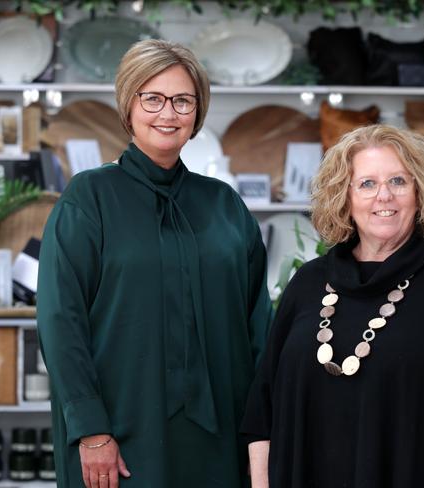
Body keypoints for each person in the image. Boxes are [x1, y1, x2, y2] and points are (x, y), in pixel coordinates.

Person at [241, 124, 424, 488]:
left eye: (398, 181)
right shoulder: (307, 283)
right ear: (344, 196)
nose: (384, 196)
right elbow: (263, 408)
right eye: (367, 184)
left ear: (420, 192)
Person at [37, 39, 272, 488]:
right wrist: (90, 430)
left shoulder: (225, 206)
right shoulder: (88, 200)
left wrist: (259, 431)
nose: (168, 113)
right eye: (153, 98)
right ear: (129, 107)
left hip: (222, 437)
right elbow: (59, 321)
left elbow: (259, 327)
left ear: (198, 113)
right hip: (119, 436)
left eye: (183, 101)